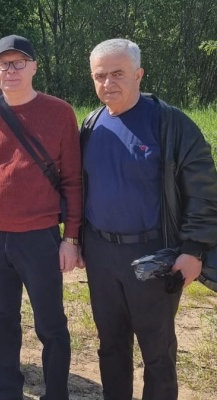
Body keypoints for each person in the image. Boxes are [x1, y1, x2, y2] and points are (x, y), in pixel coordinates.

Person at [80, 38, 217, 400]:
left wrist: (193, 248)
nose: (108, 82)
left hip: (154, 254)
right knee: (110, 344)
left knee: (157, 351)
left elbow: (204, 190)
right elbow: (79, 187)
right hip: (100, 253)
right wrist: (75, 239)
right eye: (99, 75)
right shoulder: (91, 125)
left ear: (139, 74)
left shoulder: (171, 124)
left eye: (118, 73)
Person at [0, 35, 82, 400]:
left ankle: (56, 393)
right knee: (2, 321)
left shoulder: (60, 113)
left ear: (34, 67)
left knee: (51, 325)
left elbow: (73, 180)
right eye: (4, 64)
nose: (11, 70)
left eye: (19, 63)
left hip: (40, 238)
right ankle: (8, 392)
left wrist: (71, 238)